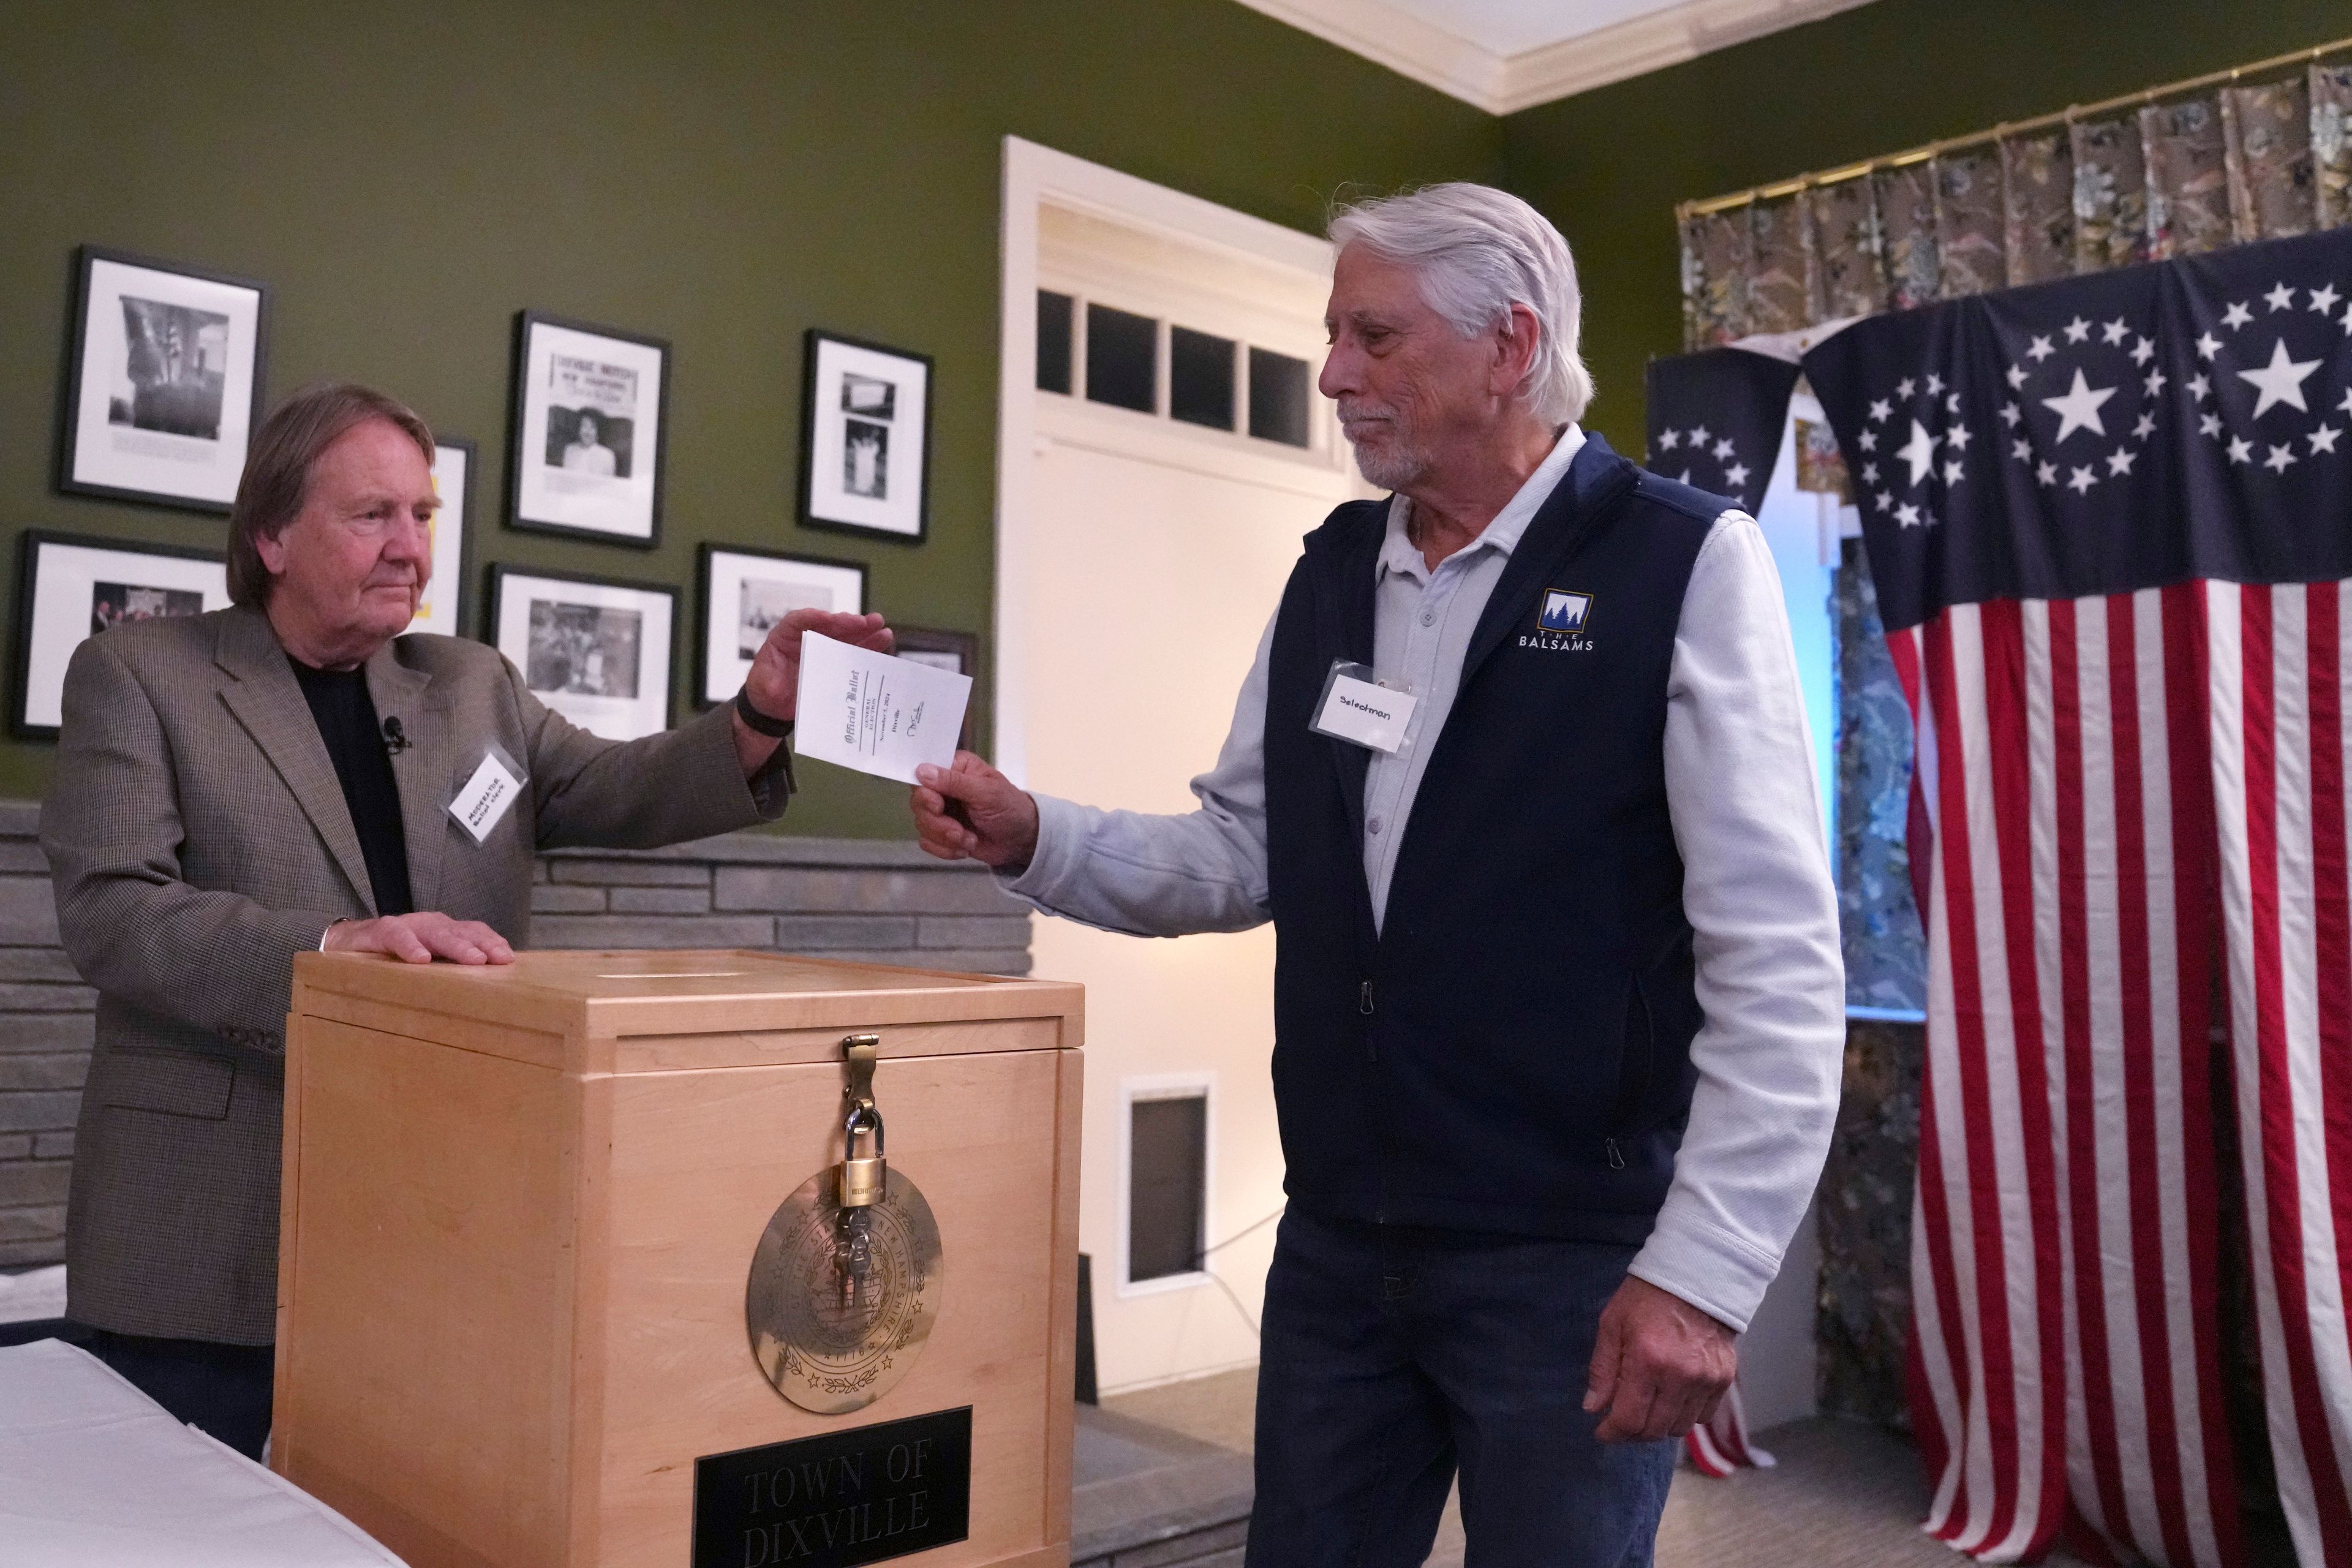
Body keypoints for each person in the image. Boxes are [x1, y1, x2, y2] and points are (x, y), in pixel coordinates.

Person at [911, 184, 1843, 1567]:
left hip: (1567, 1261)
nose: (1333, 373)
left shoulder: (1677, 561)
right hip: (1342, 1243)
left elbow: (1773, 960)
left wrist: (1700, 1279)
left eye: (1373, 336)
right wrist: (1033, 831)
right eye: (1333, 335)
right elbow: (1242, 850)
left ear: (1508, 345)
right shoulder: (1332, 574)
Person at [41, 381, 891, 1460]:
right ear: (271, 536)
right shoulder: (139, 673)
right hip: (209, 1228)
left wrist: (760, 714)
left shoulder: (470, 683)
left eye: (423, 515)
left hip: (436, 1210)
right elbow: (113, 913)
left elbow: (615, 788)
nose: (409, 545)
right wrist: (328, 950)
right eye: (372, 515)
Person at [562, 407, 619, 475]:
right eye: (584, 426)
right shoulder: (570, 450)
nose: (588, 431)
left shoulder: (607, 455)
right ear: (579, 428)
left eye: (593, 427)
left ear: (599, 431)